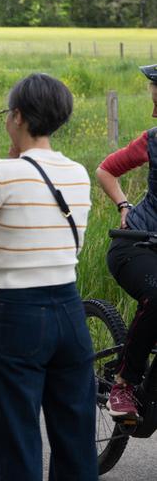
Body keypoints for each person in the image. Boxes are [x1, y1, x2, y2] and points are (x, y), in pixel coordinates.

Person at [0, 74, 98, 481]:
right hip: (70, 312)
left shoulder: (2, 172)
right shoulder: (77, 173)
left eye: (7, 114)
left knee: (18, 436)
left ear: (17, 117)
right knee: (75, 436)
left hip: (17, 313)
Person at [95, 62, 157, 419]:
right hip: (136, 243)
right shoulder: (152, 140)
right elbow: (106, 168)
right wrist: (123, 203)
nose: (153, 111)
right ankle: (124, 383)